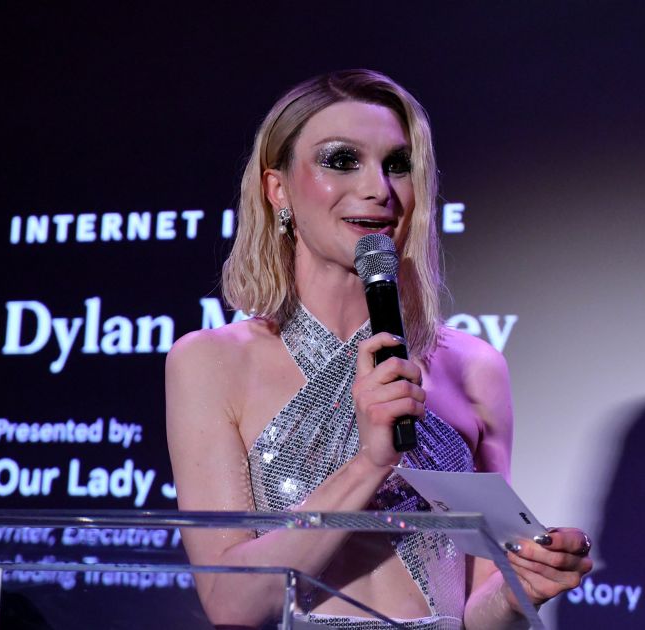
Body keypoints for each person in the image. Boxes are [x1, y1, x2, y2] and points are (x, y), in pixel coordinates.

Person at [165, 69, 592, 629]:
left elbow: (475, 609)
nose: (378, 189)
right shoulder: (211, 362)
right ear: (278, 189)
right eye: (341, 160)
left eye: (397, 164)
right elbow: (233, 604)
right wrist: (370, 462)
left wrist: (519, 591)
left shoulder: (473, 368)